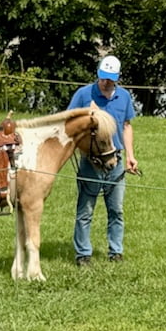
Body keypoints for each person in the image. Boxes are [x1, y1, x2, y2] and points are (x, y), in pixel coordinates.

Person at [68, 55, 139, 265]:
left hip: (115, 160)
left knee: (116, 209)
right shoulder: (83, 94)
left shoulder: (124, 97)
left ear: (117, 78)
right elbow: (69, 120)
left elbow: (126, 126)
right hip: (91, 161)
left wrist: (130, 156)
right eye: (102, 77)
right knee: (85, 210)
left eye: (109, 79)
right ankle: (83, 254)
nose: (105, 82)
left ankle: (116, 251)